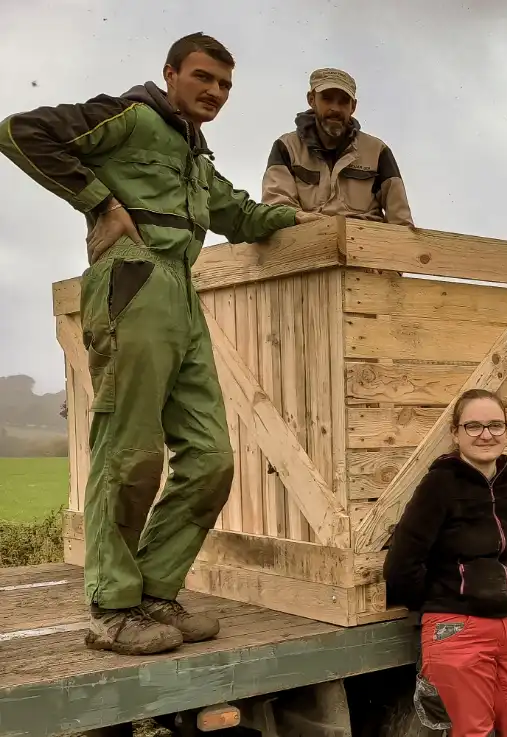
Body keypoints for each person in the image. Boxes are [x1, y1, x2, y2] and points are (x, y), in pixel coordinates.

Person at [0, 32, 322, 656]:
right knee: (130, 451)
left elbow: (243, 217)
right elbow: (20, 132)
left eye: (225, 85)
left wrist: (305, 218)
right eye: (203, 77)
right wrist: (100, 203)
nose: (215, 92)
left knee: (211, 458)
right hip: (133, 278)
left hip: (183, 294)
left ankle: (154, 593)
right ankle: (112, 608)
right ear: (170, 73)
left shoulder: (198, 158)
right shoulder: (130, 116)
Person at [383, 389, 507, 737]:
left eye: (495, 425)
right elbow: (402, 564)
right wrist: (443, 603)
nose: (486, 435)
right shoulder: (440, 485)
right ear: (455, 433)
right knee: (473, 731)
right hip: (457, 627)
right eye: (473, 426)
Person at [261, 67, 413, 225]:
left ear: (353, 106)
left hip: (367, 238)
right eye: (327, 99)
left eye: (343, 101)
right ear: (311, 100)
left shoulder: (377, 151)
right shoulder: (287, 147)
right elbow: (278, 208)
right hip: (307, 235)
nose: (335, 108)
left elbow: (400, 219)